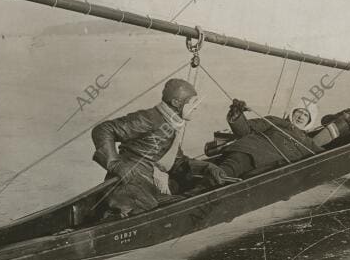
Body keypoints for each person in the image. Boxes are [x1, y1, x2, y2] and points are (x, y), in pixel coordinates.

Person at [91, 78, 226, 216]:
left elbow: (177, 162)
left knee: (185, 198)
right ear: (176, 103)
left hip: (147, 187)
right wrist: (115, 164)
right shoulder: (149, 119)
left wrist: (207, 167)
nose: (195, 107)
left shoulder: (171, 125)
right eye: (192, 103)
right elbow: (103, 129)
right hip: (129, 188)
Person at [216, 100, 324, 178]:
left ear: (309, 121)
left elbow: (325, 156)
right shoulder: (277, 121)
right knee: (221, 175)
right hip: (250, 154)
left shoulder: (307, 143)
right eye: (299, 112)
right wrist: (236, 115)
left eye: (306, 115)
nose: (301, 117)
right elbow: (245, 130)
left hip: (265, 171)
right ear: (293, 113)